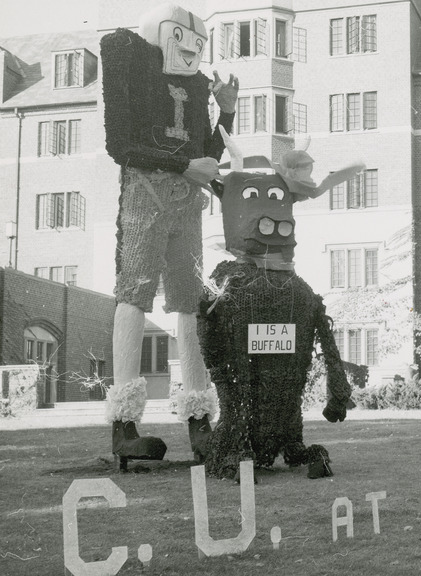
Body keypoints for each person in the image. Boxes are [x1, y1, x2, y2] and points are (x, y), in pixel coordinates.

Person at [100, 2, 238, 469]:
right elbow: (120, 145)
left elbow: (206, 154)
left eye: (197, 43)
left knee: (188, 299)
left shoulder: (196, 88)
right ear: (163, 35)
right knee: (134, 291)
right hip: (144, 193)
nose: (191, 50)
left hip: (184, 203)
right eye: (183, 39)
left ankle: (199, 421)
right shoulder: (129, 59)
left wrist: (228, 113)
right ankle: (124, 424)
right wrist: (183, 164)